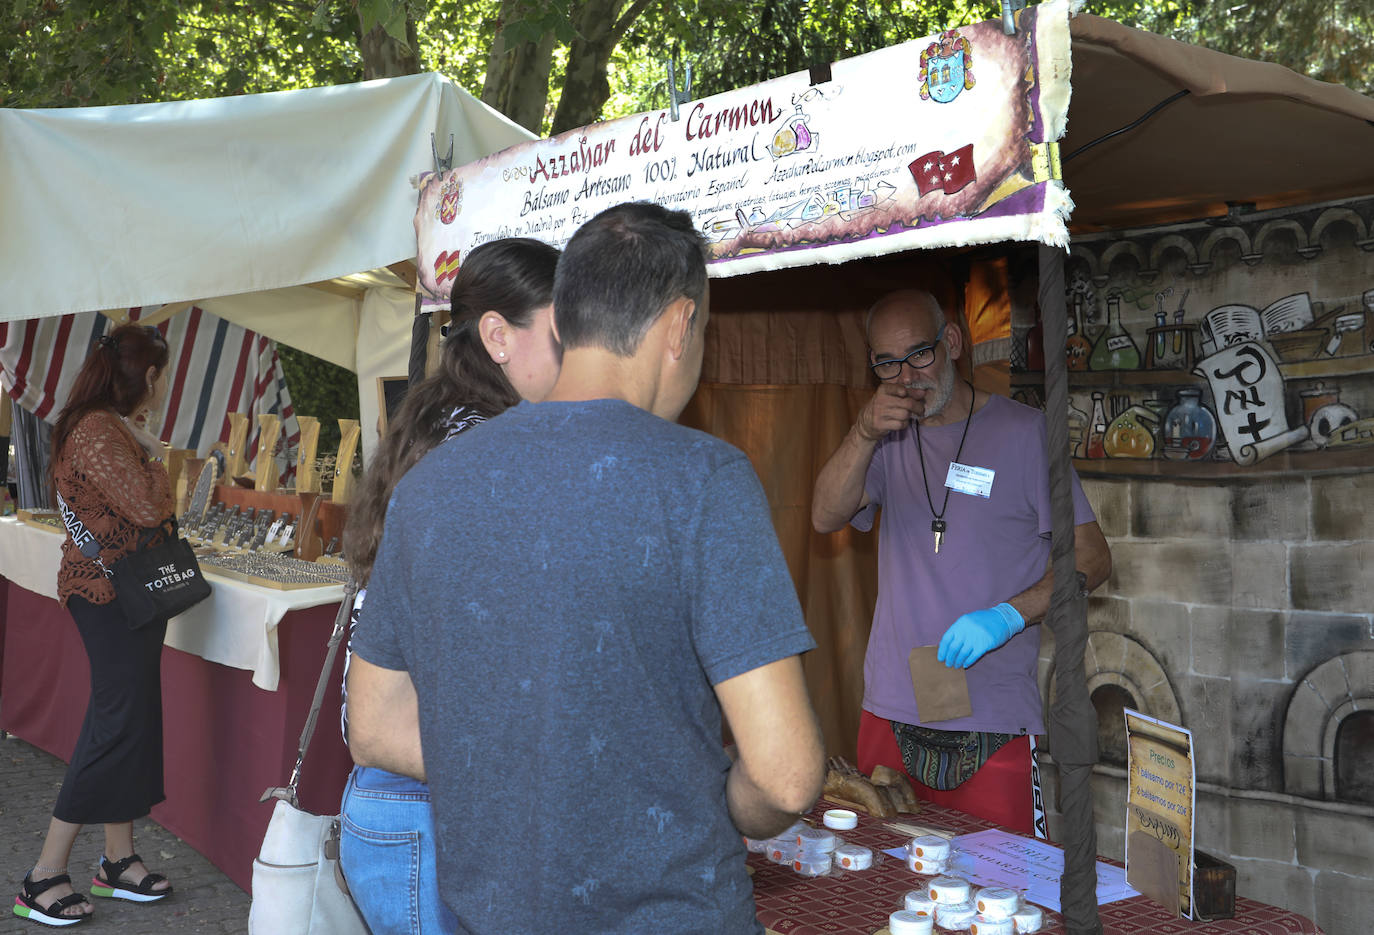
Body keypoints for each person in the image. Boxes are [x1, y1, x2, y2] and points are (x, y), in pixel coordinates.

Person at [348, 201, 825, 933]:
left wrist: (528, 772)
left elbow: (374, 725)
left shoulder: (427, 487)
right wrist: (717, 796)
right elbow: (786, 775)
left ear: (566, 322)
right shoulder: (703, 477)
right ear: (678, 325)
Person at [812, 289, 1111, 833]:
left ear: (951, 343)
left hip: (991, 713)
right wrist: (862, 432)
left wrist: (1007, 616)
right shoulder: (885, 440)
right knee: (890, 881)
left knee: (1001, 890)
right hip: (893, 704)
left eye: (919, 355)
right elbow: (823, 516)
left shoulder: (1026, 434)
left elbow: (1093, 555)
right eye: (887, 363)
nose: (906, 377)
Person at [338, 237, 562, 935]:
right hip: (431, 809)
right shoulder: (487, 454)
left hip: (410, 804)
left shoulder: (442, 426)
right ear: (497, 334)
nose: (584, 356)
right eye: (565, 334)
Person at [16, 324, 176, 927]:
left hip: (120, 590)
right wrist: (158, 459)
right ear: (150, 375)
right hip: (108, 592)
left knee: (126, 717)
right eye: (162, 377)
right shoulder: (101, 429)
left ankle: (117, 861)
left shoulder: (95, 423)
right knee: (114, 722)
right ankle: (43, 875)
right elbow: (146, 505)